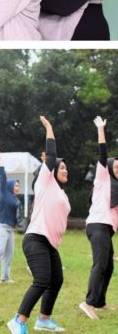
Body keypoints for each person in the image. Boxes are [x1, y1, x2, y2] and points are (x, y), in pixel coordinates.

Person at [8, 116, 70, 334]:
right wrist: (50, 129)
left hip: (50, 243)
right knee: (42, 279)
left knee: (57, 280)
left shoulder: (61, 192)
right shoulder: (45, 181)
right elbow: (51, 155)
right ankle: (19, 320)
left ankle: (44, 319)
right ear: (52, 169)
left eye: (66, 168)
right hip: (36, 238)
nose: (65, 170)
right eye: (62, 167)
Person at [80, 115, 117, 320]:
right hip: (97, 225)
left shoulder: (116, 190)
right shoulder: (103, 178)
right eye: (116, 166)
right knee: (100, 264)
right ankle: (88, 303)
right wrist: (101, 129)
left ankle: (99, 302)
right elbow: (103, 155)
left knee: (108, 266)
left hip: (106, 228)